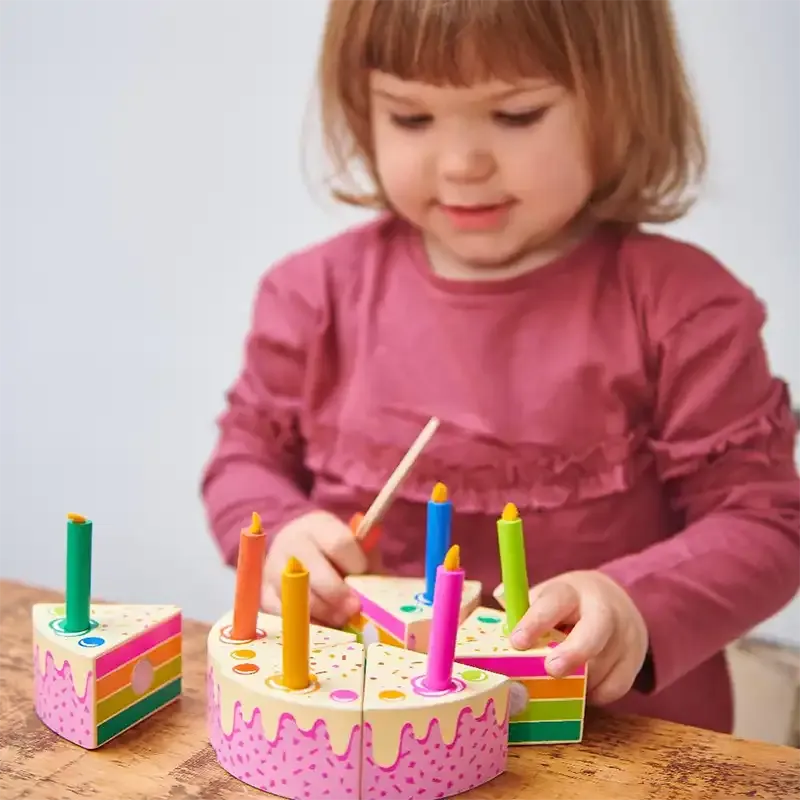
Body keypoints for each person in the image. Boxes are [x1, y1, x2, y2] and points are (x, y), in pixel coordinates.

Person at [200, 0, 800, 735]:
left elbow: (764, 523)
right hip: (371, 738)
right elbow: (243, 460)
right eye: (410, 119)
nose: (461, 164)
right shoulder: (310, 296)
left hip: (611, 745)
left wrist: (635, 602)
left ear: (621, 100)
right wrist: (284, 534)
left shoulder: (685, 308)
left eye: (516, 115)